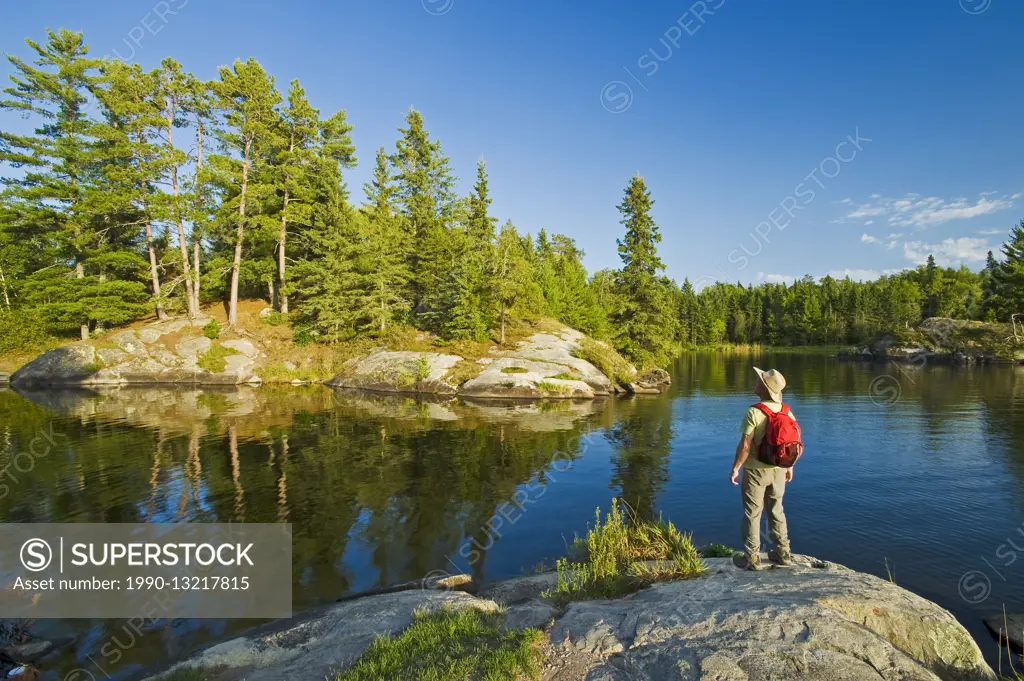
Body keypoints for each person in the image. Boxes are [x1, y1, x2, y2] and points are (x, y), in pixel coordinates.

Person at [729, 366, 794, 570]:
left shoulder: (754, 412)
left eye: (759, 381)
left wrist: (736, 467)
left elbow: (745, 445)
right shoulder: (787, 411)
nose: (756, 382)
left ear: (764, 388)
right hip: (779, 469)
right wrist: (790, 466)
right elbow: (790, 443)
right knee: (777, 510)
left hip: (756, 470)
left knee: (752, 513)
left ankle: (752, 559)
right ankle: (783, 554)